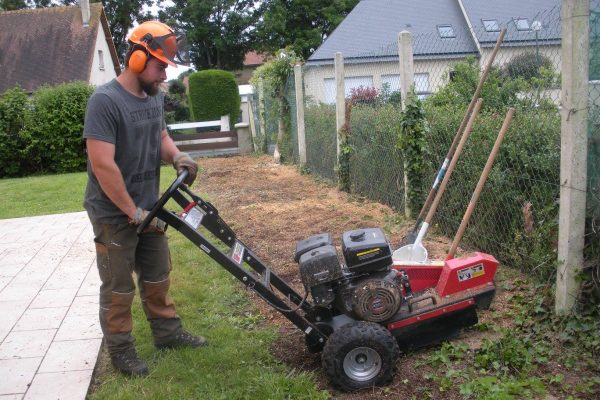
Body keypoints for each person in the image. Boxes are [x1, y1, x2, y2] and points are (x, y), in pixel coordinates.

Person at [83, 20, 205, 377]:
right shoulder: (104, 102)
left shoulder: (154, 97)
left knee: (157, 275)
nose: (164, 71)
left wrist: (177, 156)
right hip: (113, 213)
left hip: (148, 205)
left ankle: (168, 334)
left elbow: (160, 136)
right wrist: (131, 211)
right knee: (118, 288)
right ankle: (121, 351)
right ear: (137, 59)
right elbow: (102, 165)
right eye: (159, 64)